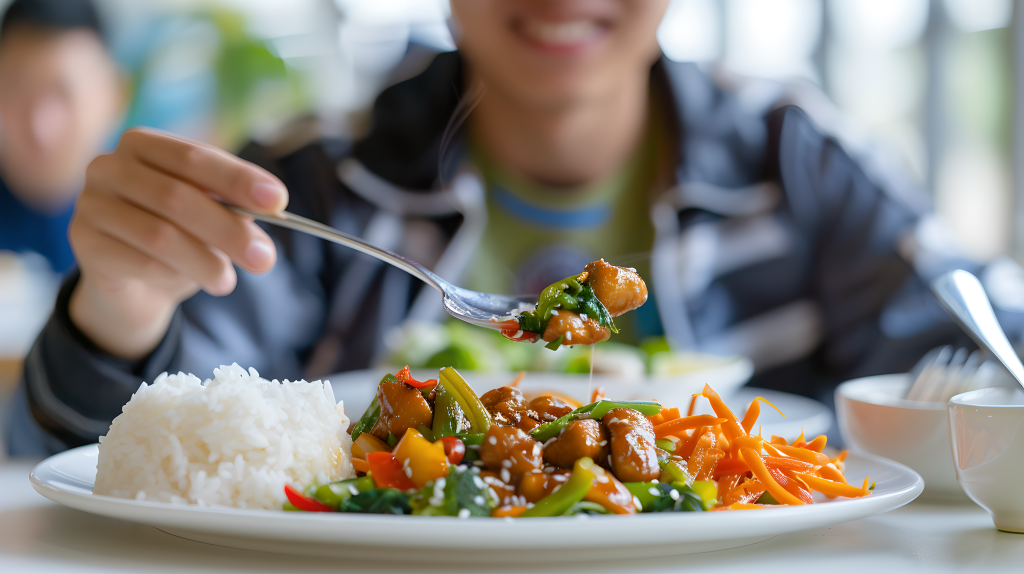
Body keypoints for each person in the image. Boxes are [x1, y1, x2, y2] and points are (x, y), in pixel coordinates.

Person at [6, 0, 1009, 455]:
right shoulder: (314, 181)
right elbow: (120, 455)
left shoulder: (804, 161)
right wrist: (120, 308)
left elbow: (976, 371)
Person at [0, 0, 124, 275]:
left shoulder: (141, 217)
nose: (39, 127)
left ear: (114, 96)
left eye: (63, 94)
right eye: (16, 89)